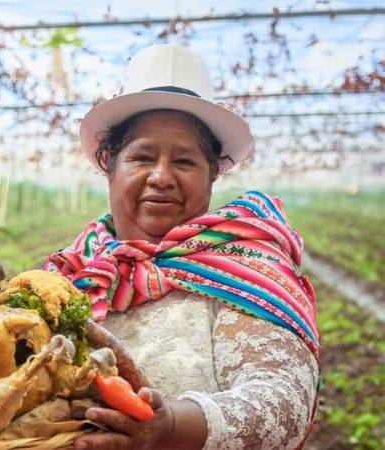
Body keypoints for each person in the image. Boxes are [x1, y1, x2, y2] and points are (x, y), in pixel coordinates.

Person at [44, 44, 320, 450]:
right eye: (142, 157)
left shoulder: (244, 267)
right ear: (110, 168)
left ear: (211, 177)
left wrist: (171, 427)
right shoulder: (72, 271)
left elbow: (282, 399)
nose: (162, 177)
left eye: (186, 162)